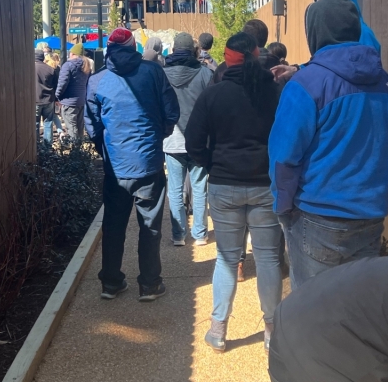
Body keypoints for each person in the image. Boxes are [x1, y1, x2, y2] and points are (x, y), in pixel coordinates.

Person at [268, 0, 388, 288]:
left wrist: (283, 207)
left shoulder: (305, 85)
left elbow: (284, 158)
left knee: (313, 307)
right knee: (358, 306)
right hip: (370, 215)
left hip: (316, 215)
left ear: (315, 32)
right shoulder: (387, 84)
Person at [185, 31, 284, 353]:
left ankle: (218, 329)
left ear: (226, 60)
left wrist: (211, 164)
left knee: (227, 259)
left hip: (224, 183)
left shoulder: (214, 95)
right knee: (268, 258)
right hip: (265, 184)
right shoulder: (274, 93)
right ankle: (271, 330)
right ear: (257, 55)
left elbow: (193, 142)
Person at [86, 28, 180, 302]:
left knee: (113, 225)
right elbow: (171, 112)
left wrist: (106, 150)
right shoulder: (152, 72)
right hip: (148, 162)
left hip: (116, 166)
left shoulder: (97, 80)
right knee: (150, 226)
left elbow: (92, 125)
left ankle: (111, 283)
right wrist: (156, 137)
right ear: (133, 46)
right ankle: (149, 284)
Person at [162, 33, 214, 246]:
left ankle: (178, 235)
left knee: (175, 189)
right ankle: (200, 234)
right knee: (200, 188)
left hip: (171, 137)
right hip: (198, 138)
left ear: (173, 50)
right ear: (194, 51)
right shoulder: (205, 73)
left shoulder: (161, 74)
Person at [56, 42, 90, 141]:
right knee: (80, 127)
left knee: (72, 127)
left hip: (69, 101)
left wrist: (57, 96)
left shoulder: (68, 65)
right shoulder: (86, 65)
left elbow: (62, 83)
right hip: (81, 100)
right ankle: (81, 147)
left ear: (72, 53)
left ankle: (75, 148)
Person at [35, 47, 59, 144]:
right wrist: (56, 99)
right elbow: (56, 85)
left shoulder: (30, 68)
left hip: (35, 99)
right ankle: (48, 147)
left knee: (35, 124)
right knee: (48, 123)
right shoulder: (50, 69)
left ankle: (36, 146)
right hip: (49, 99)